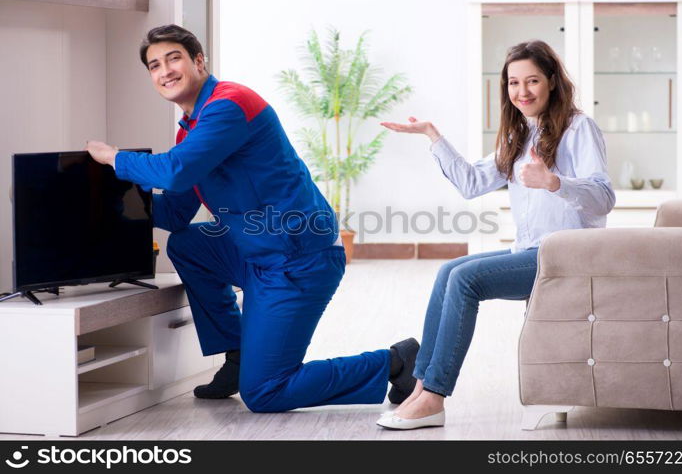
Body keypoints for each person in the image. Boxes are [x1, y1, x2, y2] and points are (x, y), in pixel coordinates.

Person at [86, 24, 418, 413]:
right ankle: (239, 355)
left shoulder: (230, 104)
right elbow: (175, 214)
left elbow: (175, 171)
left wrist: (114, 158)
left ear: (198, 61)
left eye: (173, 58)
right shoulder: (190, 133)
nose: (165, 71)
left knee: (265, 392)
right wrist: (106, 205)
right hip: (256, 250)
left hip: (298, 258)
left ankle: (395, 361)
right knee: (189, 244)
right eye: (154, 65)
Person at [377, 40, 616, 430]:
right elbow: (471, 183)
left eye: (533, 81)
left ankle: (436, 395)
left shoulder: (579, 128)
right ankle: (420, 387)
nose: (522, 92)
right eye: (513, 83)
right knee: (448, 271)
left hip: (566, 256)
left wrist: (554, 182)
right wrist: (433, 136)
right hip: (528, 251)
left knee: (467, 280)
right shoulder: (519, 134)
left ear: (552, 82)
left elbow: (604, 198)